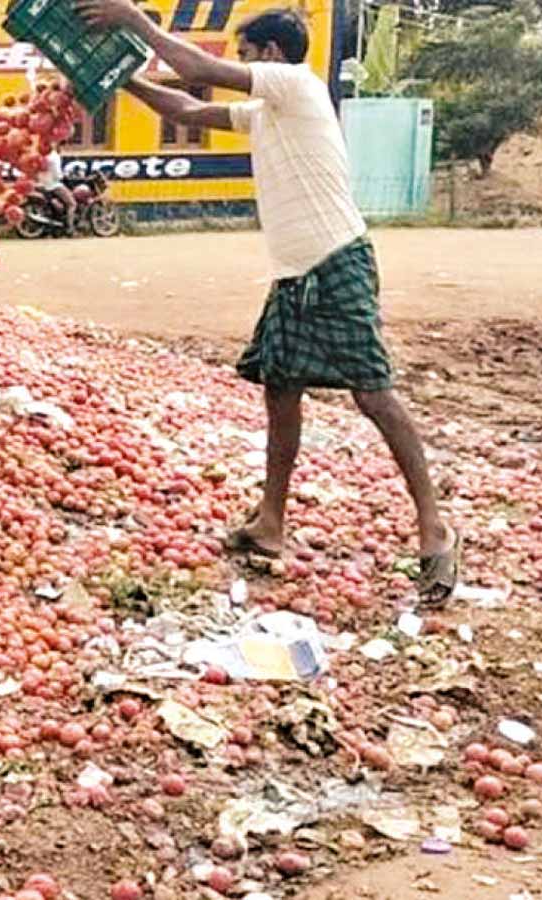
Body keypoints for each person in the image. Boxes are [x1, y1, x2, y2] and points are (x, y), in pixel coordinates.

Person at [76, 1, 461, 601]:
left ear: (271, 55)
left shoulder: (296, 84)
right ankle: (270, 524)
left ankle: (434, 530)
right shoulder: (269, 111)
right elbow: (184, 105)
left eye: (248, 54)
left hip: (336, 261)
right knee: (280, 389)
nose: (242, 64)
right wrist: (117, 78)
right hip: (295, 272)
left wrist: (134, 19)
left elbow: (196, 68)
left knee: (374, 394)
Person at [39, 142, 79, 226]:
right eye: (61, 146)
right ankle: (70, 228)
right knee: (72, 204)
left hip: (43, 184)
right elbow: (57, 175)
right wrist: (63, 176)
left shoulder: (43, 156)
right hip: (54, 185)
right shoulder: (54, 157)